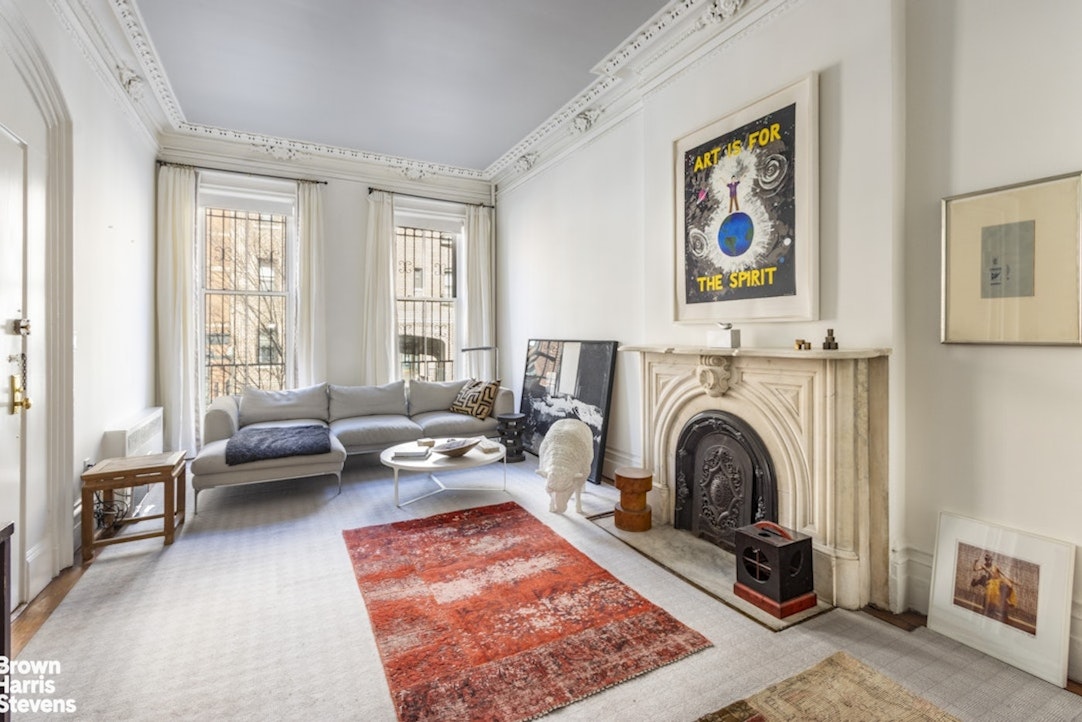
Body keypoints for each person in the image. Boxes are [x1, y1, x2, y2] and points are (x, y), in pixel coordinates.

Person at [971, 552, 1016, 621]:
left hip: (998, 581)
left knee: (1009, 586)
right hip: (992, 583)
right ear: (986, 560)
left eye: (989, 559)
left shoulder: (994, 567)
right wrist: (975, 562)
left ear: (991, 560)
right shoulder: (984, 566)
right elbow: (975, 569)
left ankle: (1009, 602)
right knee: (993, 594)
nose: (988, 561)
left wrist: (1011, 580)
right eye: (987, 559)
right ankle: (993, 609)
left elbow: (1002, 574)